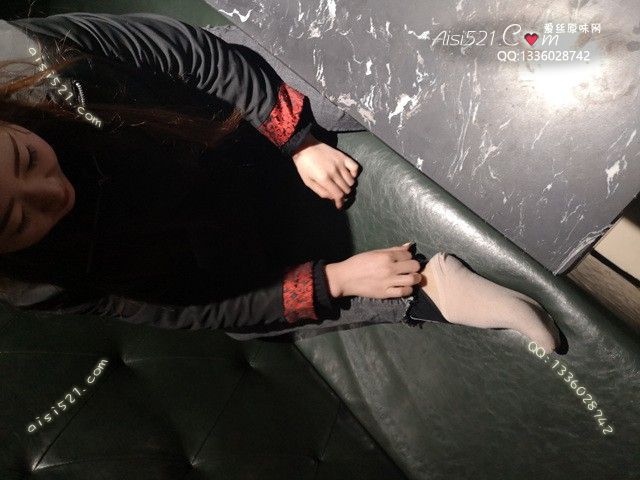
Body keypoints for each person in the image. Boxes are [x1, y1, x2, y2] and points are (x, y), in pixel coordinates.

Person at [0, 12, 561, 351]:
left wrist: (297, 140)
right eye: (18, 219)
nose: (53, 193)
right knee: (248, 321)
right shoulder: (36, 284)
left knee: (367, 81)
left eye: (24, 159)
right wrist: (337, 279)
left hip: (225, 112)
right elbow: (189, 307)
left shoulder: (25, 55)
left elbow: (189, 53)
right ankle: (431, 292)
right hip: (204, 222)